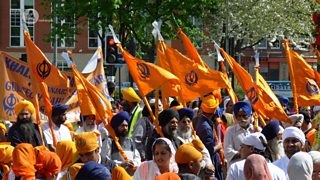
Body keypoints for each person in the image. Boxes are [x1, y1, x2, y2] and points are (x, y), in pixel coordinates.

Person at [196, 94, 223, 180]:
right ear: (214, 111)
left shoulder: (202, 121)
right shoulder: (206, 127)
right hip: (209, 163)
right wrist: (218, 146)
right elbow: (209, 150)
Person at [224, 101, 256, 166]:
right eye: (239, 116)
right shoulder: (230, 131)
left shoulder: (256, 130)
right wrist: (244, 154)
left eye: (244, 116)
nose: (242, 119)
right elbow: (227, 152)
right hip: (237, 169)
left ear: (250, 116)